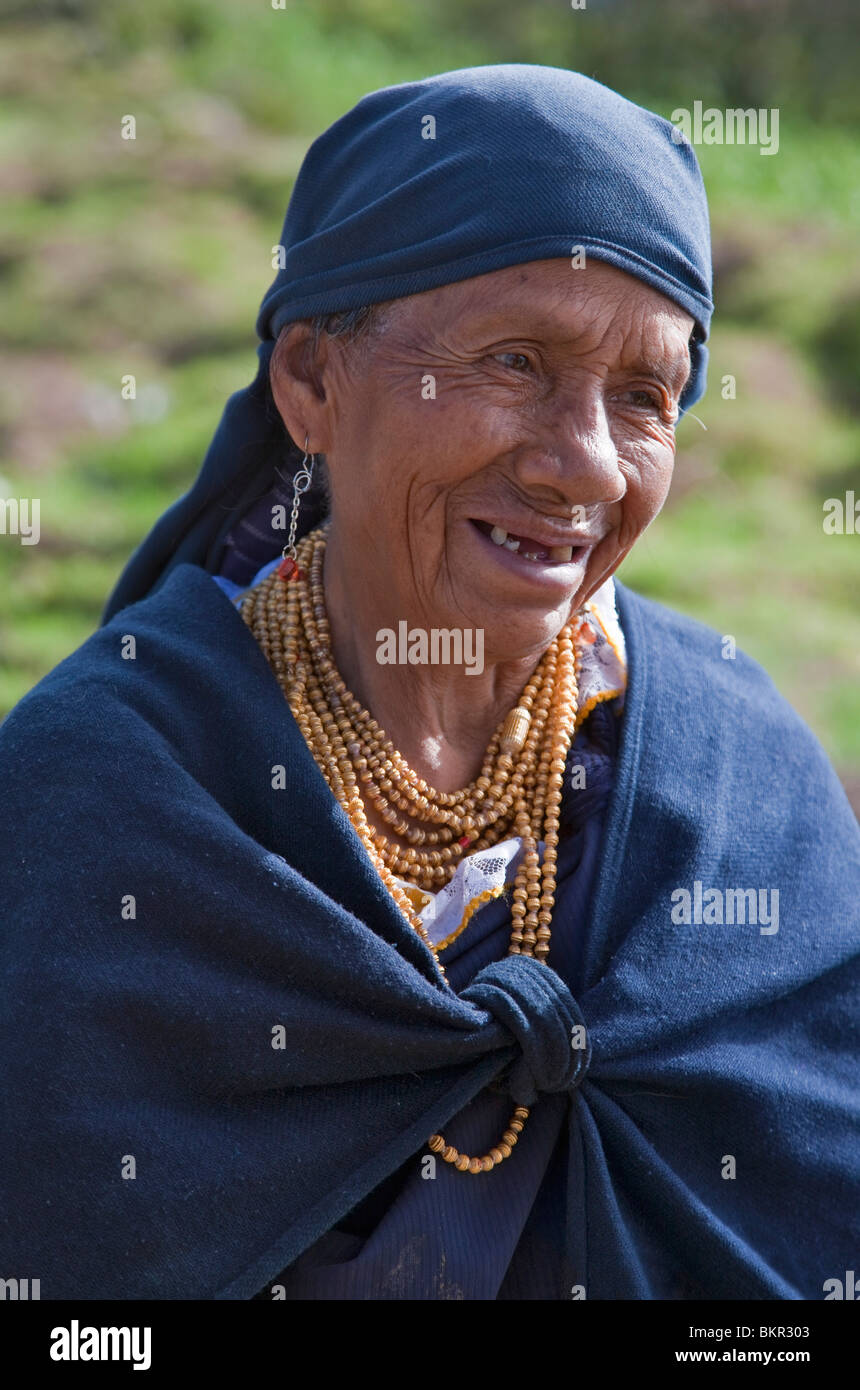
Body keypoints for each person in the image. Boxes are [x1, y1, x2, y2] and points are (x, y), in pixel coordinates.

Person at [1, 64, 857, 1301]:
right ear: (310, 382)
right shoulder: (107, 793)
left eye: (643, 398)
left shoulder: (744, 794)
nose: (585, 468)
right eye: (514, 361)